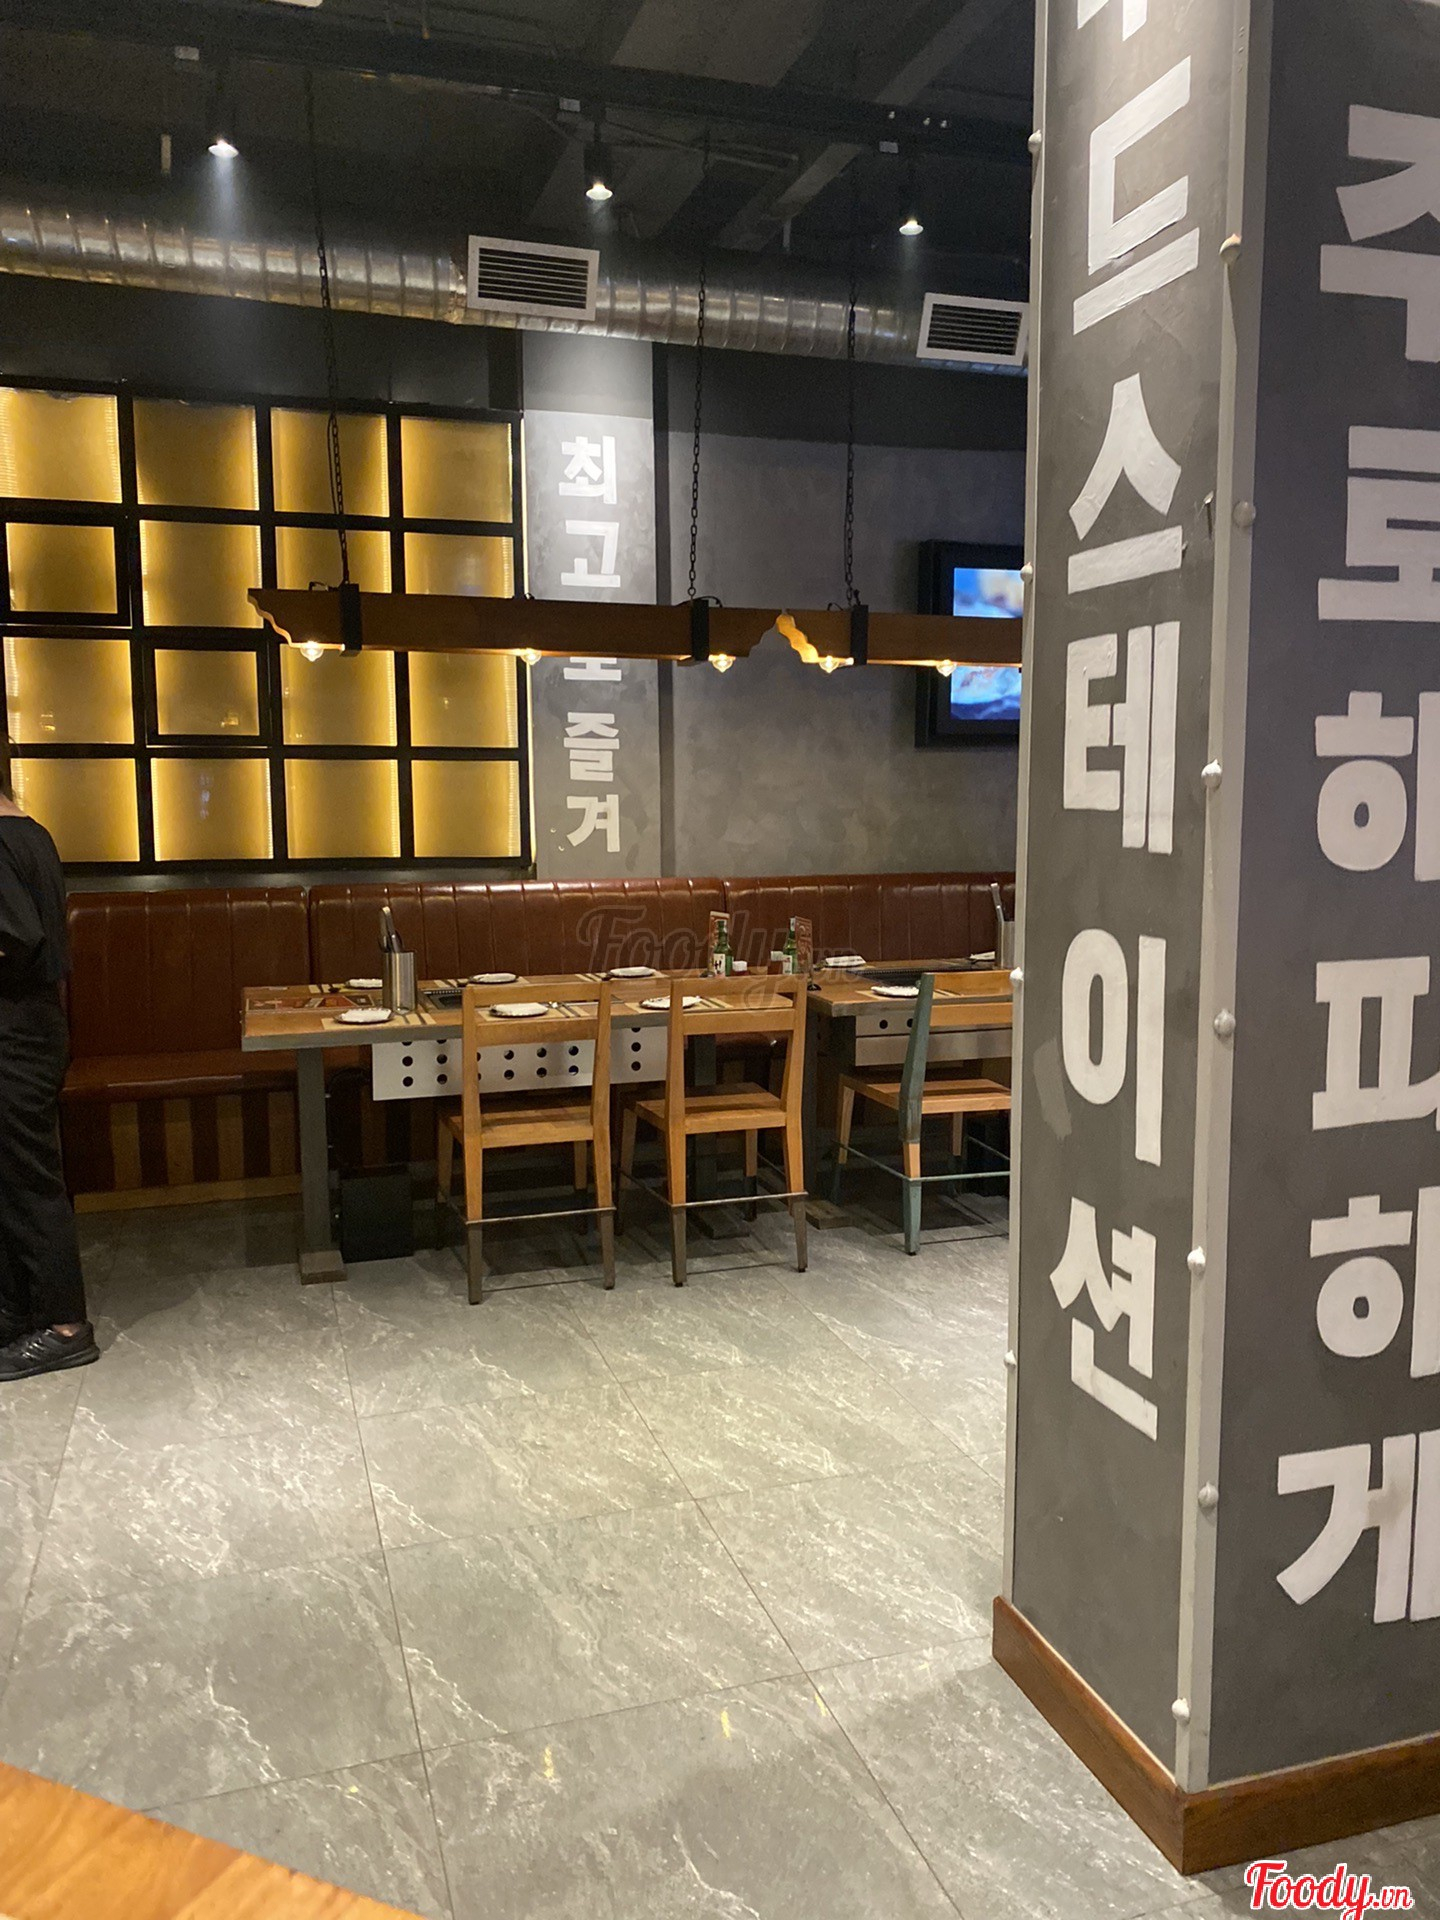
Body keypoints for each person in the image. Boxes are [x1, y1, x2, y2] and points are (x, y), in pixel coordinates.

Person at [0, 771, 96, 1381]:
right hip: (34, 1027)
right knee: (14, 1179)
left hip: (14, 1033)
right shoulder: (31, 833)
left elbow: (17, 942)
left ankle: (65, 1326)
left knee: (29, 1180)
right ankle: (21, 1310)